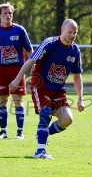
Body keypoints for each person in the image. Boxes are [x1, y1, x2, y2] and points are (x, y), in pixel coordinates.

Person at [9, 19, 85, 159]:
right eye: (70, 32)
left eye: (75, 33)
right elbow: (31, 61)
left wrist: (80, 98)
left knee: (67, 119)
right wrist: (18, 79)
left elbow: (77, 76)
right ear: (62, 30)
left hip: (58, 90)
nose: (72, 35)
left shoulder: (75, 50)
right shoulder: (49, 43)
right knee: (46, 113)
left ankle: (42, 133)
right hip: (41, 85)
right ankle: (40, 151)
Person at [0, 2, 33, 139]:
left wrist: (33, 65)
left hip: (17, 70)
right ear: (0, 15)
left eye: (10, 13)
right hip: (1, 70)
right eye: (5, 13)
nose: (8, 15)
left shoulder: (20, 30)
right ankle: (3, 131)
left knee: (17, 99)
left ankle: (20, 131)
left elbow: (29, 50)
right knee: (3, 99)